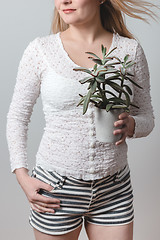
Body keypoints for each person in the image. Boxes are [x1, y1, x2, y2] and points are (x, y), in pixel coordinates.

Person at [6, 0, 157, 239]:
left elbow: (147, 117)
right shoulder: (41, 50)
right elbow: (17, 116)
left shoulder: (130, 50)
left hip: (114, 188)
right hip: (55, 188)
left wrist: (132, 125)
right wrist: (22, 175)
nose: (64, 1)